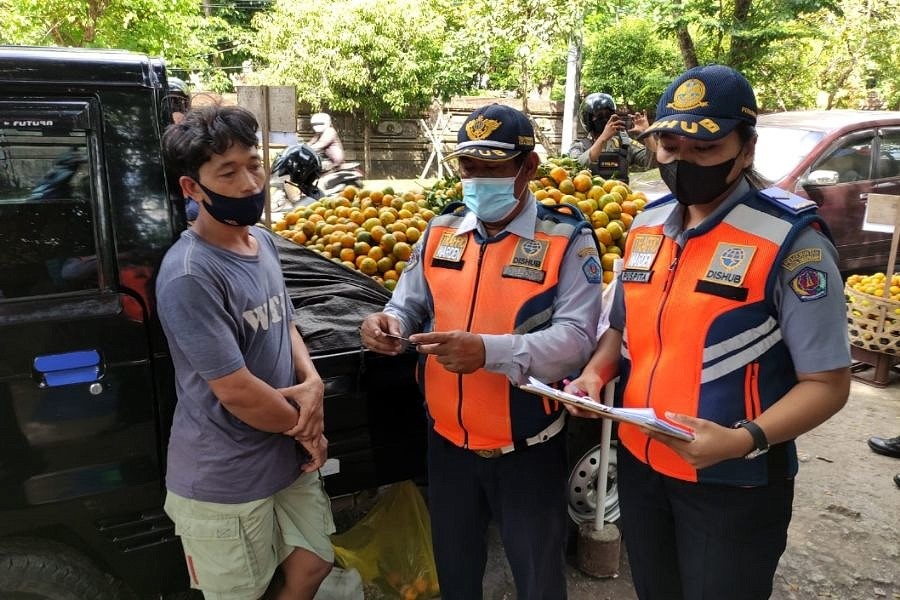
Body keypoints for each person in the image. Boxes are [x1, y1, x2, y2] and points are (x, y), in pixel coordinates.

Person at [565, 65, 851, 600]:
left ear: (746, 150)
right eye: (670, 147)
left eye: (704, 149)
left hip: (735, 484)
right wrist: (593, 374)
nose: (682, 163)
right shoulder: (646, 227)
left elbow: (829, 382)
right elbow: (621, 329)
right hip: (642, 468)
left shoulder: (793, 243)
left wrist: (744, 440)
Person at [360, 103, 604, 600]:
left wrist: (489, 352)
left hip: (527, 452)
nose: (476, 181)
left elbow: (578, 340)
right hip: (448, 447)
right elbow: (407, 303)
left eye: (491, 170)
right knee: (457, 574)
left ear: (527, 167)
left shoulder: (567, 239)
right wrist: (386, 323)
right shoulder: (441, 231)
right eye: (469, 168)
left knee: (538, 580)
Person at [157, 104, 334, 600]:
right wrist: (308, 428)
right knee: (241, 592)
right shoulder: (191, 274)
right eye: (227, 172)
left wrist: (312, 380)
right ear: (193, 188)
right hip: (224, 473)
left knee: (315, 561)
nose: (249, 182)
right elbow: (235, 390)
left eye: (254, 164)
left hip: (282, 451)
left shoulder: (261, 242)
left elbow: (285, 320)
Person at [567, 92, 658, 183]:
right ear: (588, 119)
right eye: (599, 115)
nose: (605, 119)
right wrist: (603, 138)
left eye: (608, 115)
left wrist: (647, 134)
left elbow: (654, 164)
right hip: (590, 196)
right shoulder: (579, 145)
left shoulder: (625, 143)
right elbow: (575, 167)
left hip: (621, 195)